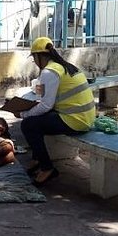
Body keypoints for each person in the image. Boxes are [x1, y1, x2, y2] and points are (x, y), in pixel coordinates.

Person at [15, 37, 95, 185]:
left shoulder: (49, 72)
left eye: (34, 58)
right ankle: (37, 158)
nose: (34, 62)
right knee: (37, 119)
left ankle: (47, 168)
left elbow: (46, 105)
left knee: (28, 125)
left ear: (39, 56)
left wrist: (22, 114)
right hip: (86, 117)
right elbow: (43, 95)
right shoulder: (65, 66)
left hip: (75, 121)